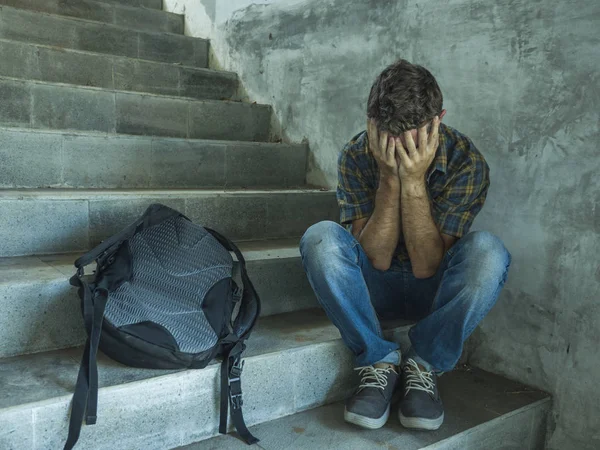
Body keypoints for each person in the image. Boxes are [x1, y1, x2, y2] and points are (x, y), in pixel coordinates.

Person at [299, 59, 511, 431]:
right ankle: (377, 359)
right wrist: (389, 178)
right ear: (371, 121)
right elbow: (376, 259)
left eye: (408, 137)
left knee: (489, 253)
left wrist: (413, 180)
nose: (394, 149)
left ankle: (423, 363)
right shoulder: (356, 154)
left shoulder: (466, 161)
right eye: (385, 135)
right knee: (319, 237)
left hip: (434, 288)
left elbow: (427, 266)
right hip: (372, 285)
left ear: (437, 120)